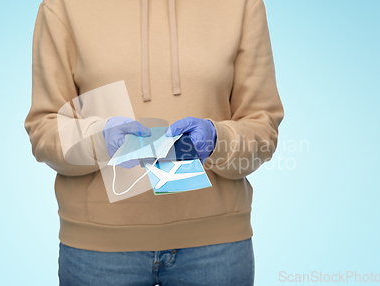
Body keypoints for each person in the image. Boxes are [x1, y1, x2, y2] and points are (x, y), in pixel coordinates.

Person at [24, 0, 284, 285]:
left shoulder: (242, 5)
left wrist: (217, 140)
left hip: (216, 247)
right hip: (99, 250)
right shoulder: (63, 5)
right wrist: (98, 140)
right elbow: (44, 129)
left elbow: (263, 126)